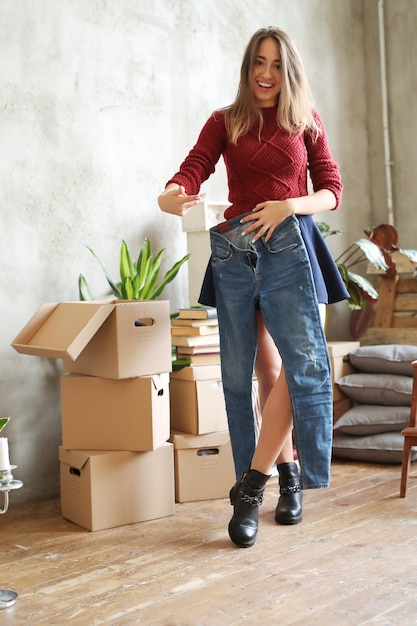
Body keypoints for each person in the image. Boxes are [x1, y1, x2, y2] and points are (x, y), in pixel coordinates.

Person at [158, 26, 348, 548]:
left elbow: (332, 188)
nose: (265, 74)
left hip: (296, 248)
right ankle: (288, 481)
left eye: (275, 65)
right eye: (257, 64)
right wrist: (174, 192)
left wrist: (292, 204)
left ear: (290, 72)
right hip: (240, 254)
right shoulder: (226, 121)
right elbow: (195, 166)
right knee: (261, 370)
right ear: (247, 69)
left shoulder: (304, 121)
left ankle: (251, 484)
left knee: (297, 368)